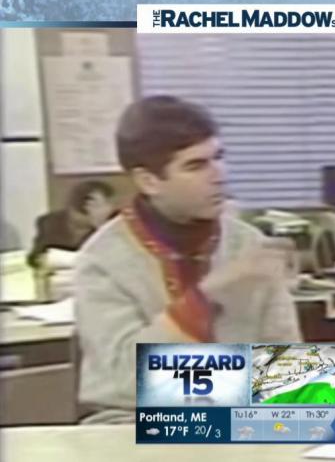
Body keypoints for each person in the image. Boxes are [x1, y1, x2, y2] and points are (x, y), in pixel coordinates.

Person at [74, 96, 302, 423]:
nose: (219, 175)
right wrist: (206, 295)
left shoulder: (248, 244)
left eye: (218, 157)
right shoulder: (102, 260)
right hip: (135, 423)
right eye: (196, 166)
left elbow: (289, 372)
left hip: (241, 419)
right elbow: (124, 381)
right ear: (149, 181)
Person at [26, 180, 116, 268]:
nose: (108, 209)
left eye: (107, 203)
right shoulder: (50, 222)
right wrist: (43, 260)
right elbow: (34, 258)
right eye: (97, 205)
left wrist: (101, 228)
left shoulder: (113, 224)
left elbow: (114, 260)